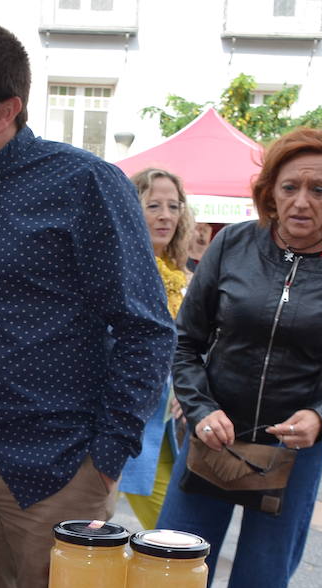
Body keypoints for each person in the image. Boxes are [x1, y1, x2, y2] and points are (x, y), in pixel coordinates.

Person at [0, 24, 175, 588]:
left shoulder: (84, 184)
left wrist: (106, 460)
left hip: (62, 470)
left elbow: (146, 328)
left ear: (7, 111)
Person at [156, 127, 322, 588]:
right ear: (270, 191)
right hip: (213, 437)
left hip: (290, 453)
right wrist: (199, 404)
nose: (302, 201)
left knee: (260, 583)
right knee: (172, 574)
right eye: (290, 187)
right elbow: (185, 344)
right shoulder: (232, 245)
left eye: (318, 189)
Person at [120, 167, 194, 530]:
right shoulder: (120, 269)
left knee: (174, 533)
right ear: (132, 210)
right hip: (122, 423)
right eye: (153, 206)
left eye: (174, 205)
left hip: (161, 426)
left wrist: (186, 384)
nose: (166, 215)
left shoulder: (181, 277)